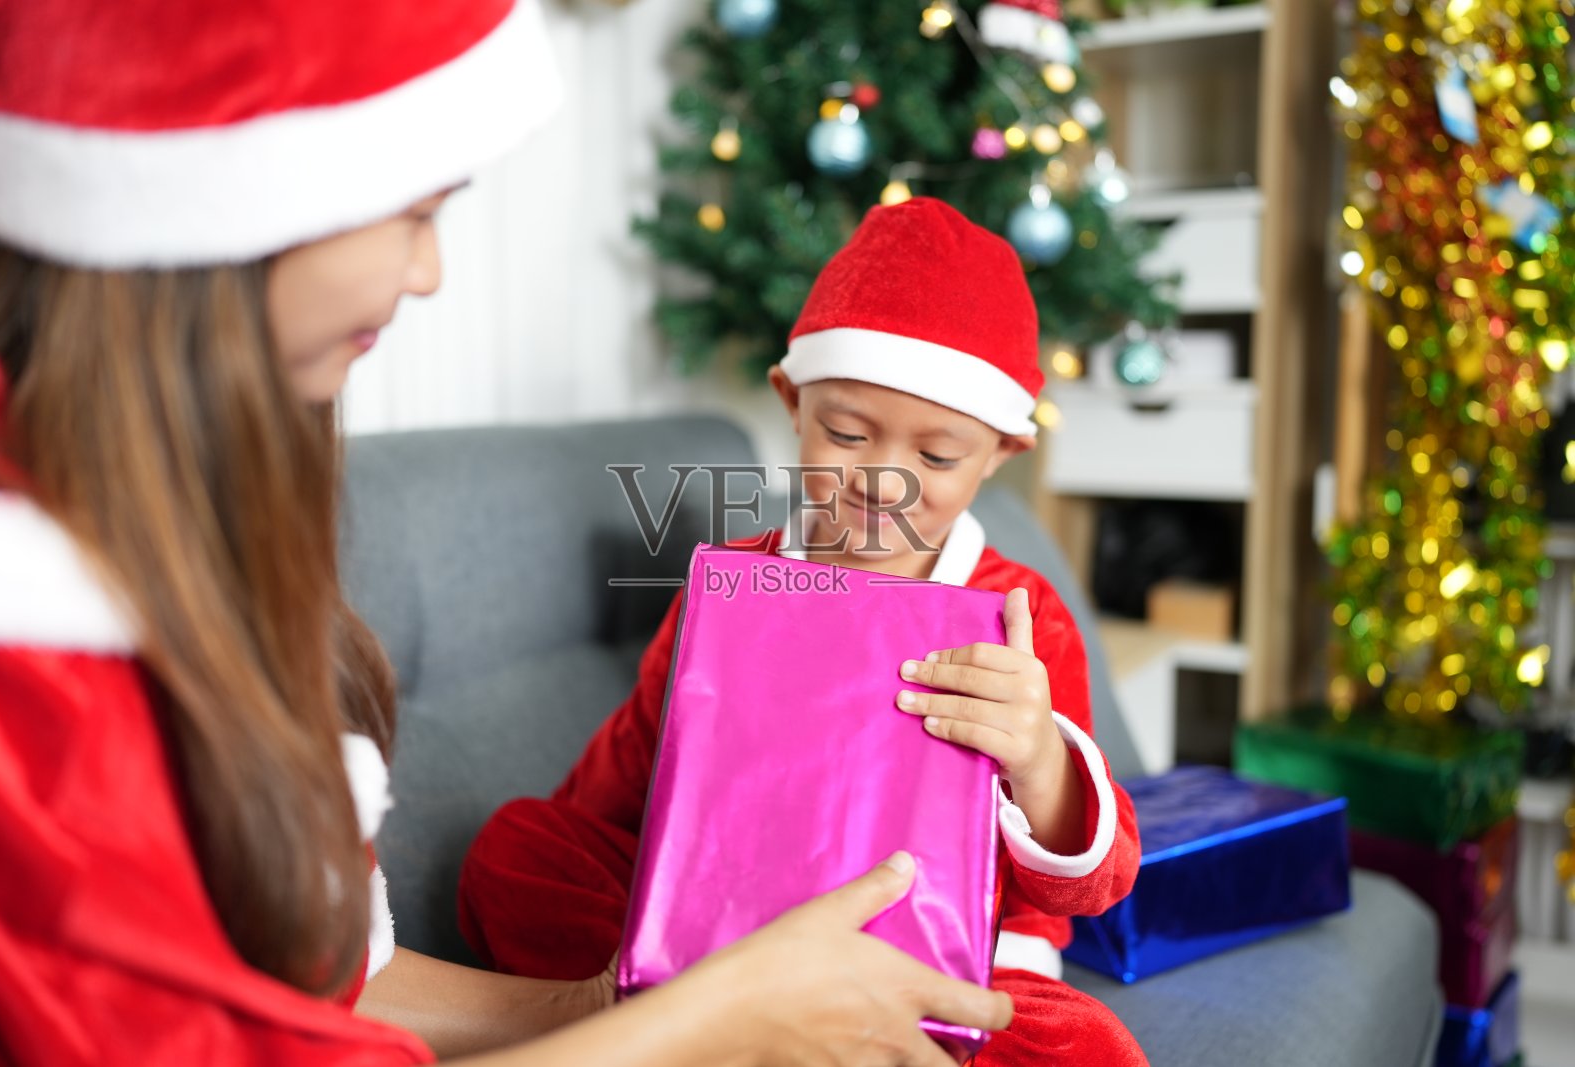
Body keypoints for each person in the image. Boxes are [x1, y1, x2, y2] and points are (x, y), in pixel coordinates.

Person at [0, 2, 1011, 1065]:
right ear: (235, 197)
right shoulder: (19, 638)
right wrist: (707, 1018)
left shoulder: (179, 525)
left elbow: (331, 983)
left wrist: (640, 1002)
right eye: (416, 214)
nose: (427, 273)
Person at [460, 198, 1149, 1066]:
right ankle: (699, 1016)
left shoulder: (1020, 611)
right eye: (848, 433)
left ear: (1001, 452)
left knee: (1090, 1047)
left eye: (937, 457)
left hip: (940, 963)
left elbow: (1097, 876)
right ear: (792, 400)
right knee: (515, 848)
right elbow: (622, 780)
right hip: (721, 934)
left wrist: (1040, 758)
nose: (884, 480)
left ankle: (733, 1038)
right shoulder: (729, 584)